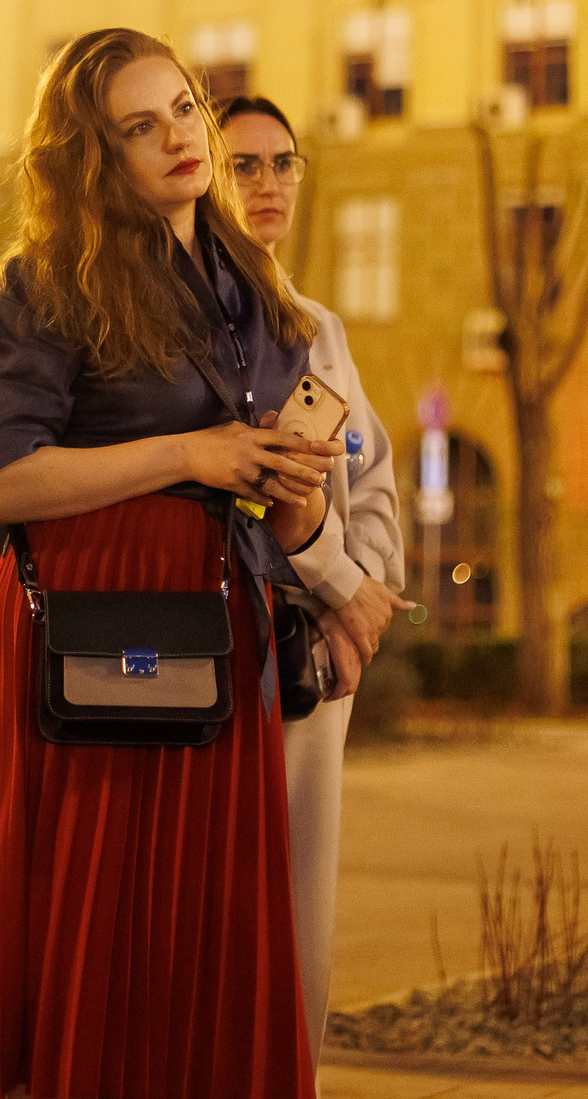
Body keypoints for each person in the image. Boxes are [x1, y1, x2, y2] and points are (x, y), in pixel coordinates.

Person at [0, 28, 340, 1099]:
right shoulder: (42, 282)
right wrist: (189, 453)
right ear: (94, 155)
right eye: (139, 124)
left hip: (220, 609)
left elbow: (268, 492)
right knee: (107, 900)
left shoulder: (251, 283)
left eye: (182, 108)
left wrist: (295, 505)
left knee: (208, 909)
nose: (177, 136)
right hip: (96, 613)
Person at [217, 95, 405, 1072]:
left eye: (282, 161)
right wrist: (337, 583)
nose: (267, 181)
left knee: (302, 917)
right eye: (242, 163)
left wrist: (359, 611)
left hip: (317, 659)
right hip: (224, 647)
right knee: (219, 913)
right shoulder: (189, 320)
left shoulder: (318, 324)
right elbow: (253, 496)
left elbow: (369, 475)